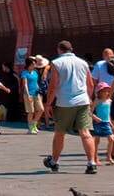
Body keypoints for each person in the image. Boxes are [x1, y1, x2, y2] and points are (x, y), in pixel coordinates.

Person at [43, 39, 99, 175]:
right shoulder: (83, 63)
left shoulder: (56, 63)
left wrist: (48, 104)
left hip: (64, 103)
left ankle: (54, 162)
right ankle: (91, 163)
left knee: (60, 133)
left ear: (59, 49)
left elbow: (54, 85)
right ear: (71, 49)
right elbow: (90, 84)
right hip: (83, 101)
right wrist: (89, 99)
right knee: (85, 133)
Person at [91, 82, 114, 165]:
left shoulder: (109, 101)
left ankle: (109, 157)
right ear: (99, 92)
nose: (106, 93)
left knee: (111, 139)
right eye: (104, 91)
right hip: (98, 123)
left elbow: (108, 113)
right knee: (97, 141)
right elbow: (90, 112)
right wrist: (95, 118)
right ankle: (95, 157)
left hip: (106, 123)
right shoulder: (97, 100)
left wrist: (110, 121)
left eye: (107, 91)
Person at [20, 57, 43, 134]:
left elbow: (36, 82)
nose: (35, 65)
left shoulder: (35, 72)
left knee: (41, 109)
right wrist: (28, 94)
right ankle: (30, 128)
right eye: (33, 63)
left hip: (37, 93)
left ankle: (34, 124)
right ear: (29, 64)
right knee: (31, 112)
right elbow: (25, 84)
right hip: (28, 94)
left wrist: (39, 90)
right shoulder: (24, 73)